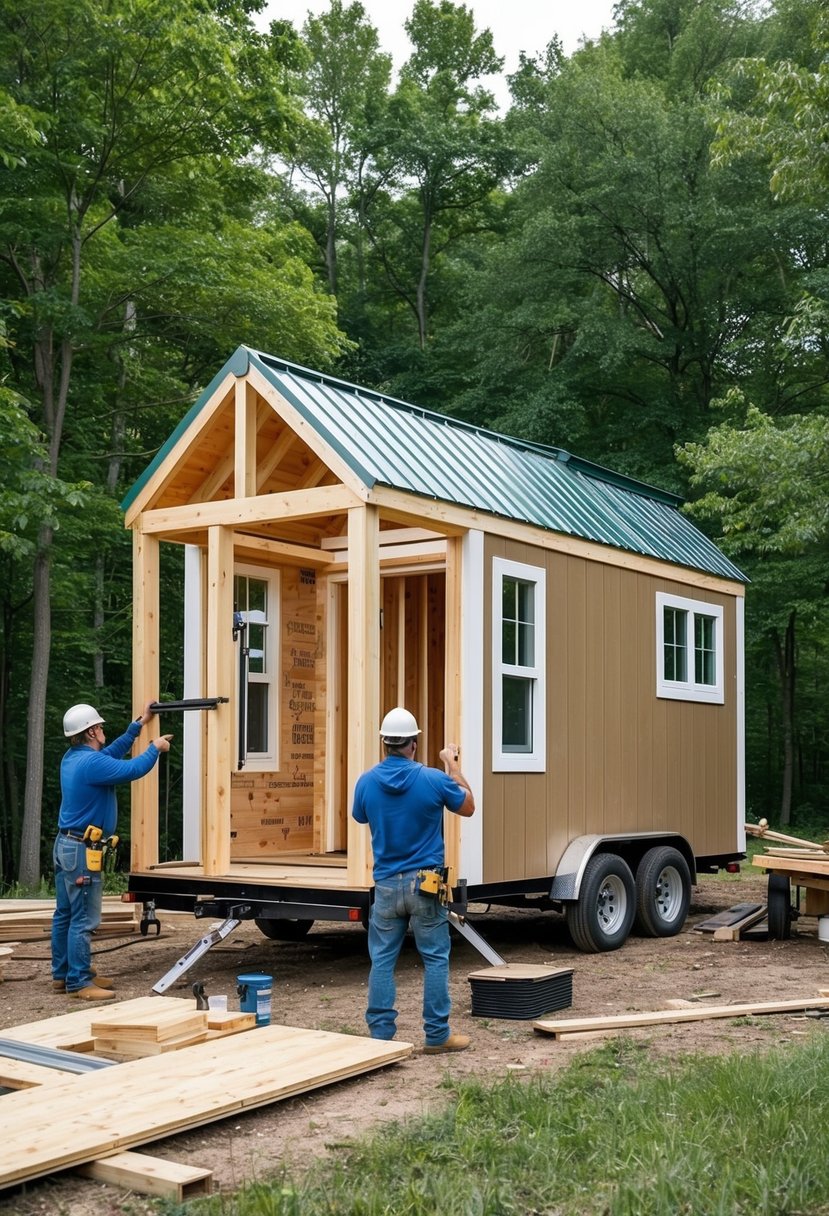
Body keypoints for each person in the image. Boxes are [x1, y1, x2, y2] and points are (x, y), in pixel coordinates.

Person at [352, 706, 475, 1053]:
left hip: (387, 885)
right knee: (435, 957)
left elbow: (360, 815)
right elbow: (468, 806)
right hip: (426, 884)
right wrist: (452, 764)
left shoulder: (366, 782)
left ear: (384, 744)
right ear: (414, 744)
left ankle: (380, 1035)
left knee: (382, 960)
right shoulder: (433, 779)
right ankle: (437, 1036)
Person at [51, 701, 172, 1001]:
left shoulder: (74, 758)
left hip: (66, 846)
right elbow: (132, 768)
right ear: (91, 731)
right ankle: (78, 983)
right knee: (83, 919)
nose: (103, 730)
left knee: (65, 913)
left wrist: (138, 726)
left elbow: (112, 754)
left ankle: (63, 975)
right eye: (101, 727)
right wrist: (154, 748)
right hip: (81, 851)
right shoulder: (91, 764)